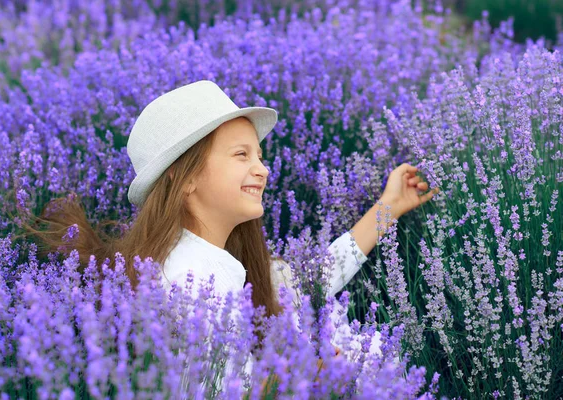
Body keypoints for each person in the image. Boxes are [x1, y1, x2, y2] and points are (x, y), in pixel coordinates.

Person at [26, 80, 439, 396]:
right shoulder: (185, 285)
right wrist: (314, 372)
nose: (262, 169)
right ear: (183, 177)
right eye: (241, 155)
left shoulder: (220, 261)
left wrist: (389, 207)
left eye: (259, 155)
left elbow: (314, 279)